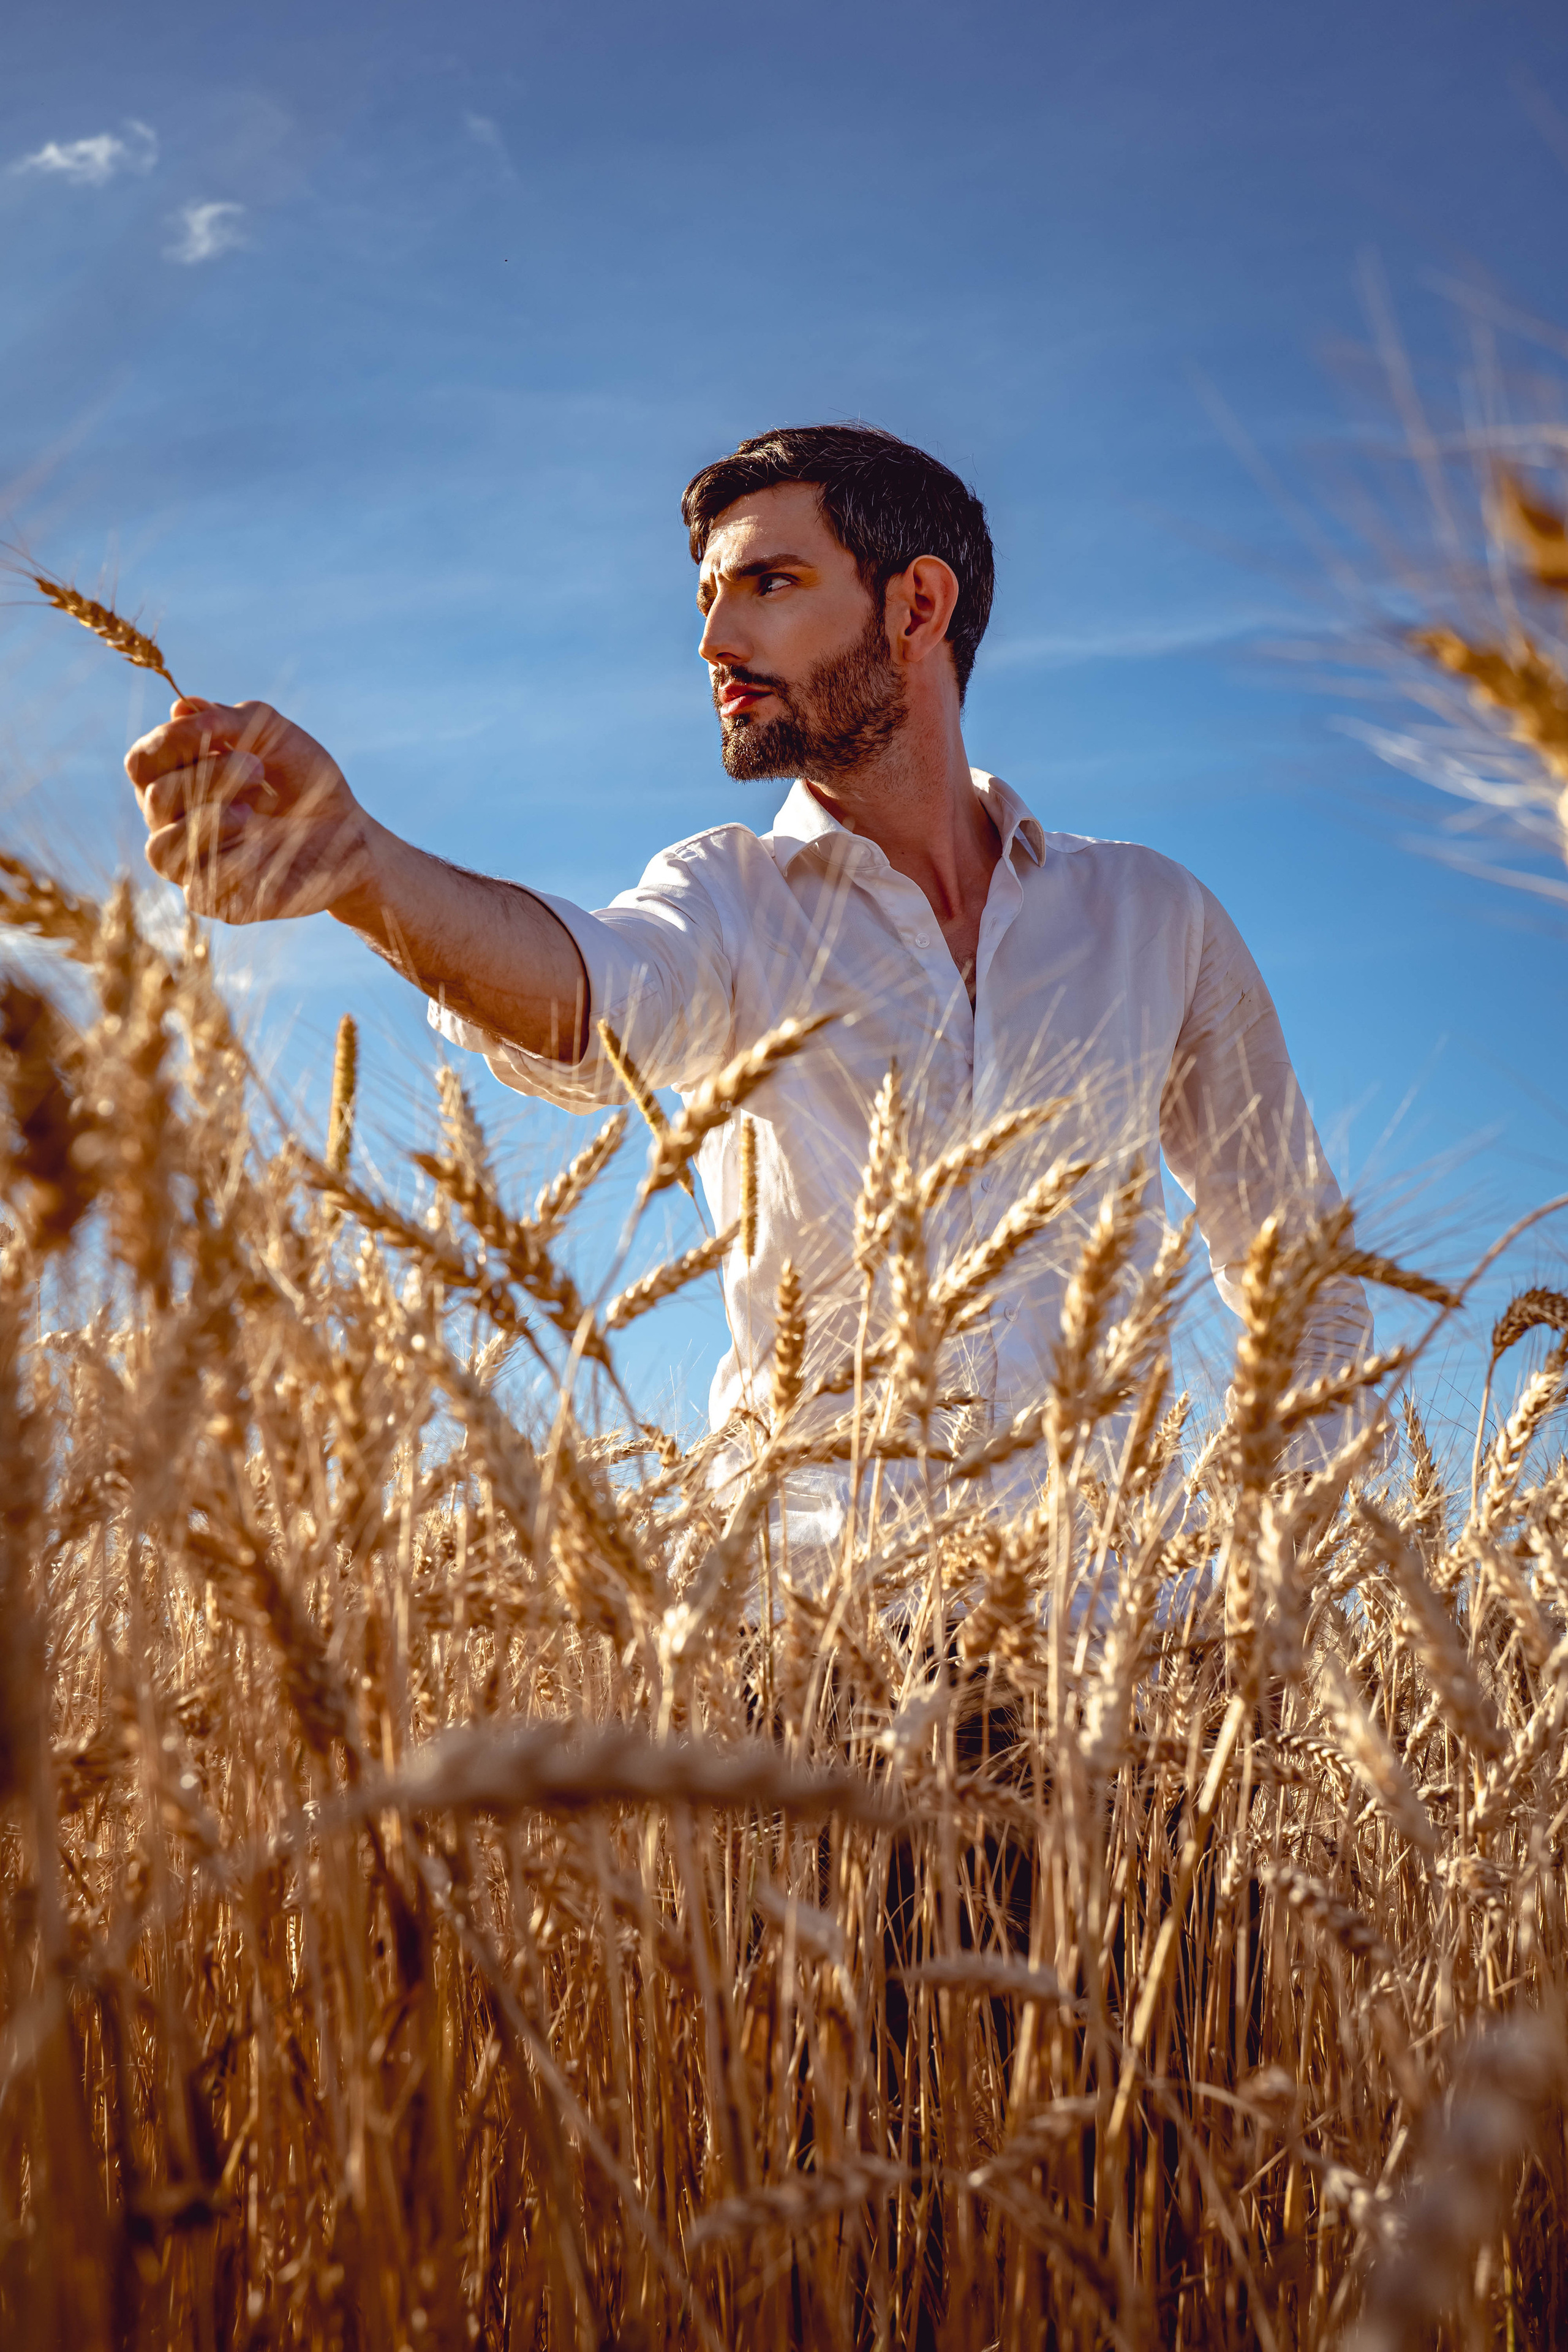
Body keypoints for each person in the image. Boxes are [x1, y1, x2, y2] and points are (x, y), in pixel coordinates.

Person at [125, 421, 1370, 1515]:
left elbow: (1300, 1278)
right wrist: (364, 870)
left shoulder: (1152, 915)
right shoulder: (723, 902)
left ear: (915, 608)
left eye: (769, 582)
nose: (715, 638)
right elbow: (586, 1001)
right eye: (708, 600)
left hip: (1096, 1654)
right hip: (799, 1661)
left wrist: (1249, 1572)